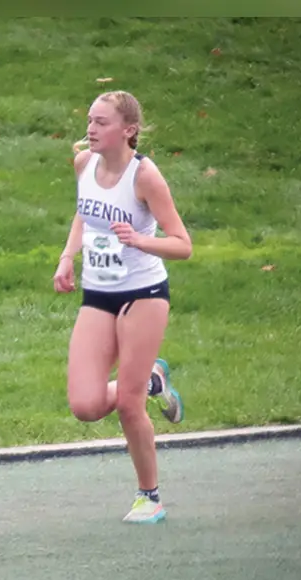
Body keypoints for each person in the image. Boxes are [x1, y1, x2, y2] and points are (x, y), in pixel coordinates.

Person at [53, 90, 192, 524]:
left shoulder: (145, 177)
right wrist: (67, 257)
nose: (91, 129)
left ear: (128, 130)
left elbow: (182, 245)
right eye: (89, 120)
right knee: (85, 406)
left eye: (101, 122)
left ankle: (149, 495)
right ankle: (153, 379)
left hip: (143, 294)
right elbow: (84, 212)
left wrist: (139, 240)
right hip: (98, 293)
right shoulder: (83, 164)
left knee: (128, 404)